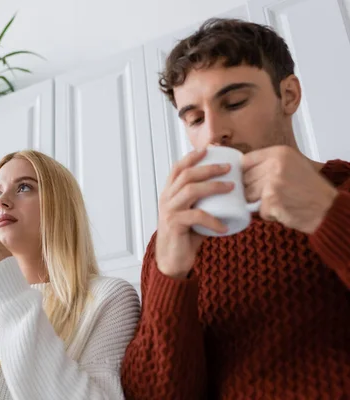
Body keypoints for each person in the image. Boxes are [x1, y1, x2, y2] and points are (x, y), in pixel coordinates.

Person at [120, 18, 350, 399]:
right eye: (194, 118)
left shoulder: (342, 191)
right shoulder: (176, 240)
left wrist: (328, 216)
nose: (213, 133)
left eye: (235, 102)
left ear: (289, 95)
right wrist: (170, 276)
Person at [0, 150, 140, 400]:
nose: (1, 202)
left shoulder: (108, 297)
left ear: (61, 203)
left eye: (24, 187)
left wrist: (12, 295)